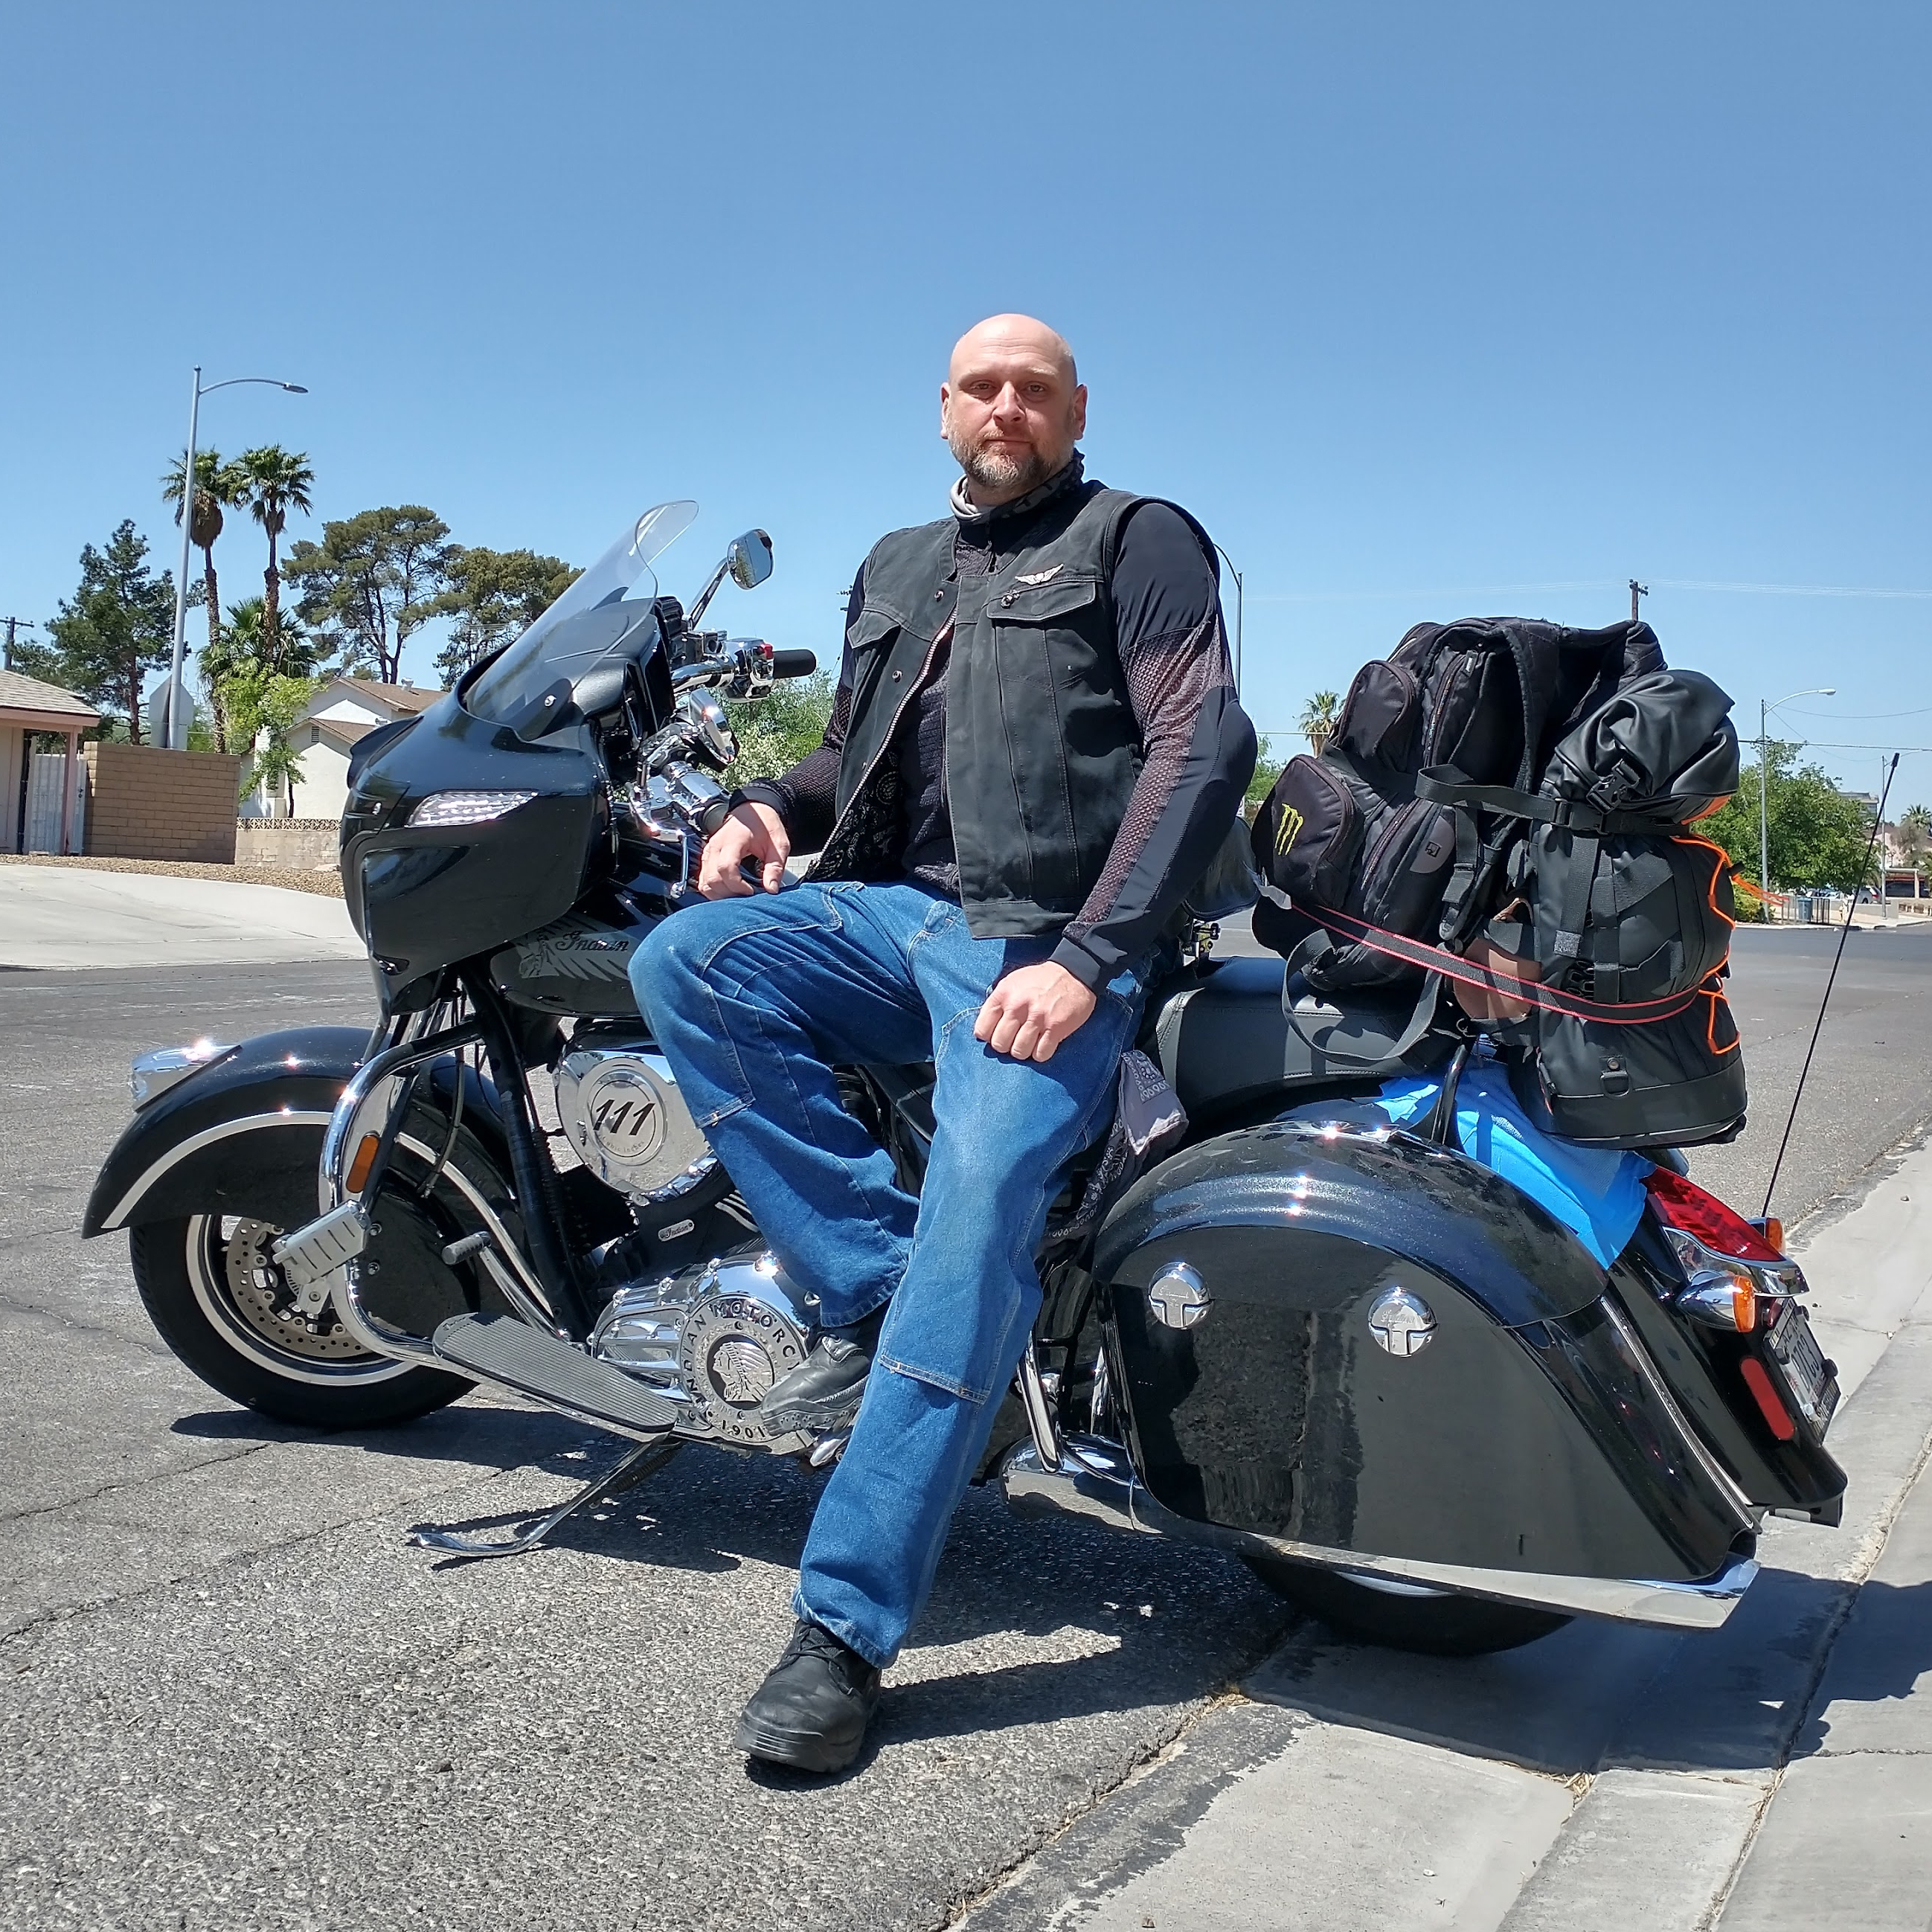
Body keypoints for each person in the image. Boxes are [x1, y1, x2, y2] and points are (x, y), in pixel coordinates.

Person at [632, 313, 1255, 1773]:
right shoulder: (902, 563)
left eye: (1034, 387)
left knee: (983, 1197)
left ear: (1074, 406)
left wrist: (1092, 957)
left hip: (1044, 938)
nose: (1007, 406)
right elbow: (853, 754)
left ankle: (841, 1629)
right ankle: (891, 1296)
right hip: (885, 911)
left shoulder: (1135, 539)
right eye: (983, 385)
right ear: (942, 407)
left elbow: (1200, 744)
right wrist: (772, 811)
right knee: (685, 965)